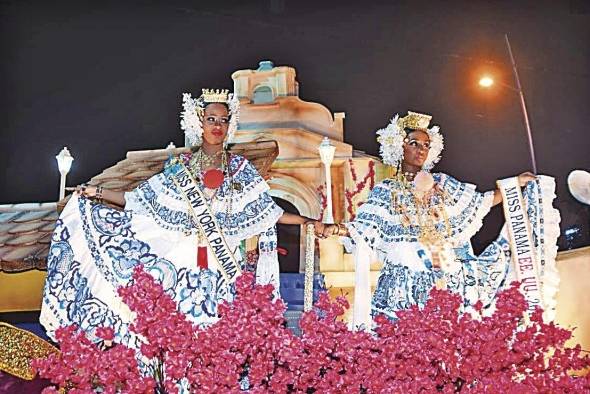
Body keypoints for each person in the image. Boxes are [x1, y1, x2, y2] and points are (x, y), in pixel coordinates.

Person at [40, 89, 324, 347]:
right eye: (211, 119)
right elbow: (137, 200)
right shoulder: (180, 169)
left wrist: (310, 223)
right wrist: (97, 192)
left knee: (219, 335)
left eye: (223, 120)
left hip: (221, 264)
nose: (217, 126)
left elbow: (269, 213)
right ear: (198, 122)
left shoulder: (240, 169)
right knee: (176, 335)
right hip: (179, 262)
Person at [323, 111, 560, 326]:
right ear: (398, 147)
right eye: (413, 143)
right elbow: (364, 230)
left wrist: (514, 185)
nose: (421, 150)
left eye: (426, 145)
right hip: (403, 283)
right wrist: (333, 230)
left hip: (444, 277)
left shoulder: (443, 184)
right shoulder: (387, 190)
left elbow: (479, 202)